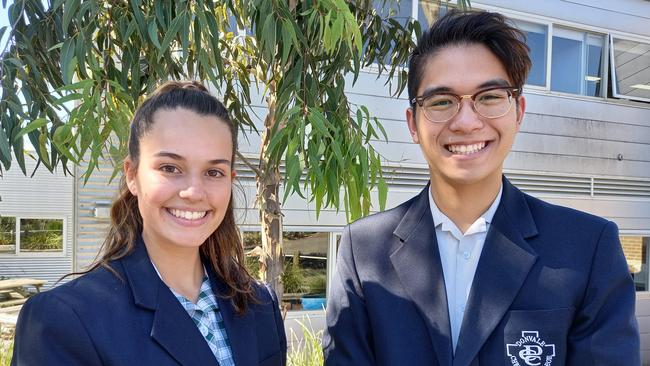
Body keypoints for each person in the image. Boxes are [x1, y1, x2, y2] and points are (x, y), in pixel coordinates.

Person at [324, 10, 639, 366]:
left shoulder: (588, 247)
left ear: (518, 111)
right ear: (413, 124)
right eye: (442, 102)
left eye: (489, 97)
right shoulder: (363, 251)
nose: (467, 122)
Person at [12, 81, 287, 366]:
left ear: (230, 181)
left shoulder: (259, 304)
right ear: (132, 175)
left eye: (213, 172)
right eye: (170, 168)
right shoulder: (63, 321)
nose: (193, 192)